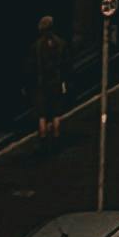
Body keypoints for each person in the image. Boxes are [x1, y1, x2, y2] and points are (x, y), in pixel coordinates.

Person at [27, 8, 67, 146]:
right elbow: (66, 64)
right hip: (56, 82)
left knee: (42, 115)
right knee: (56, 113)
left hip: (41, 84)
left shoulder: (36, 47)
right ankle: (56, 137)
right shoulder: (61, 43)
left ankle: (43, 139)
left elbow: (31, 67)